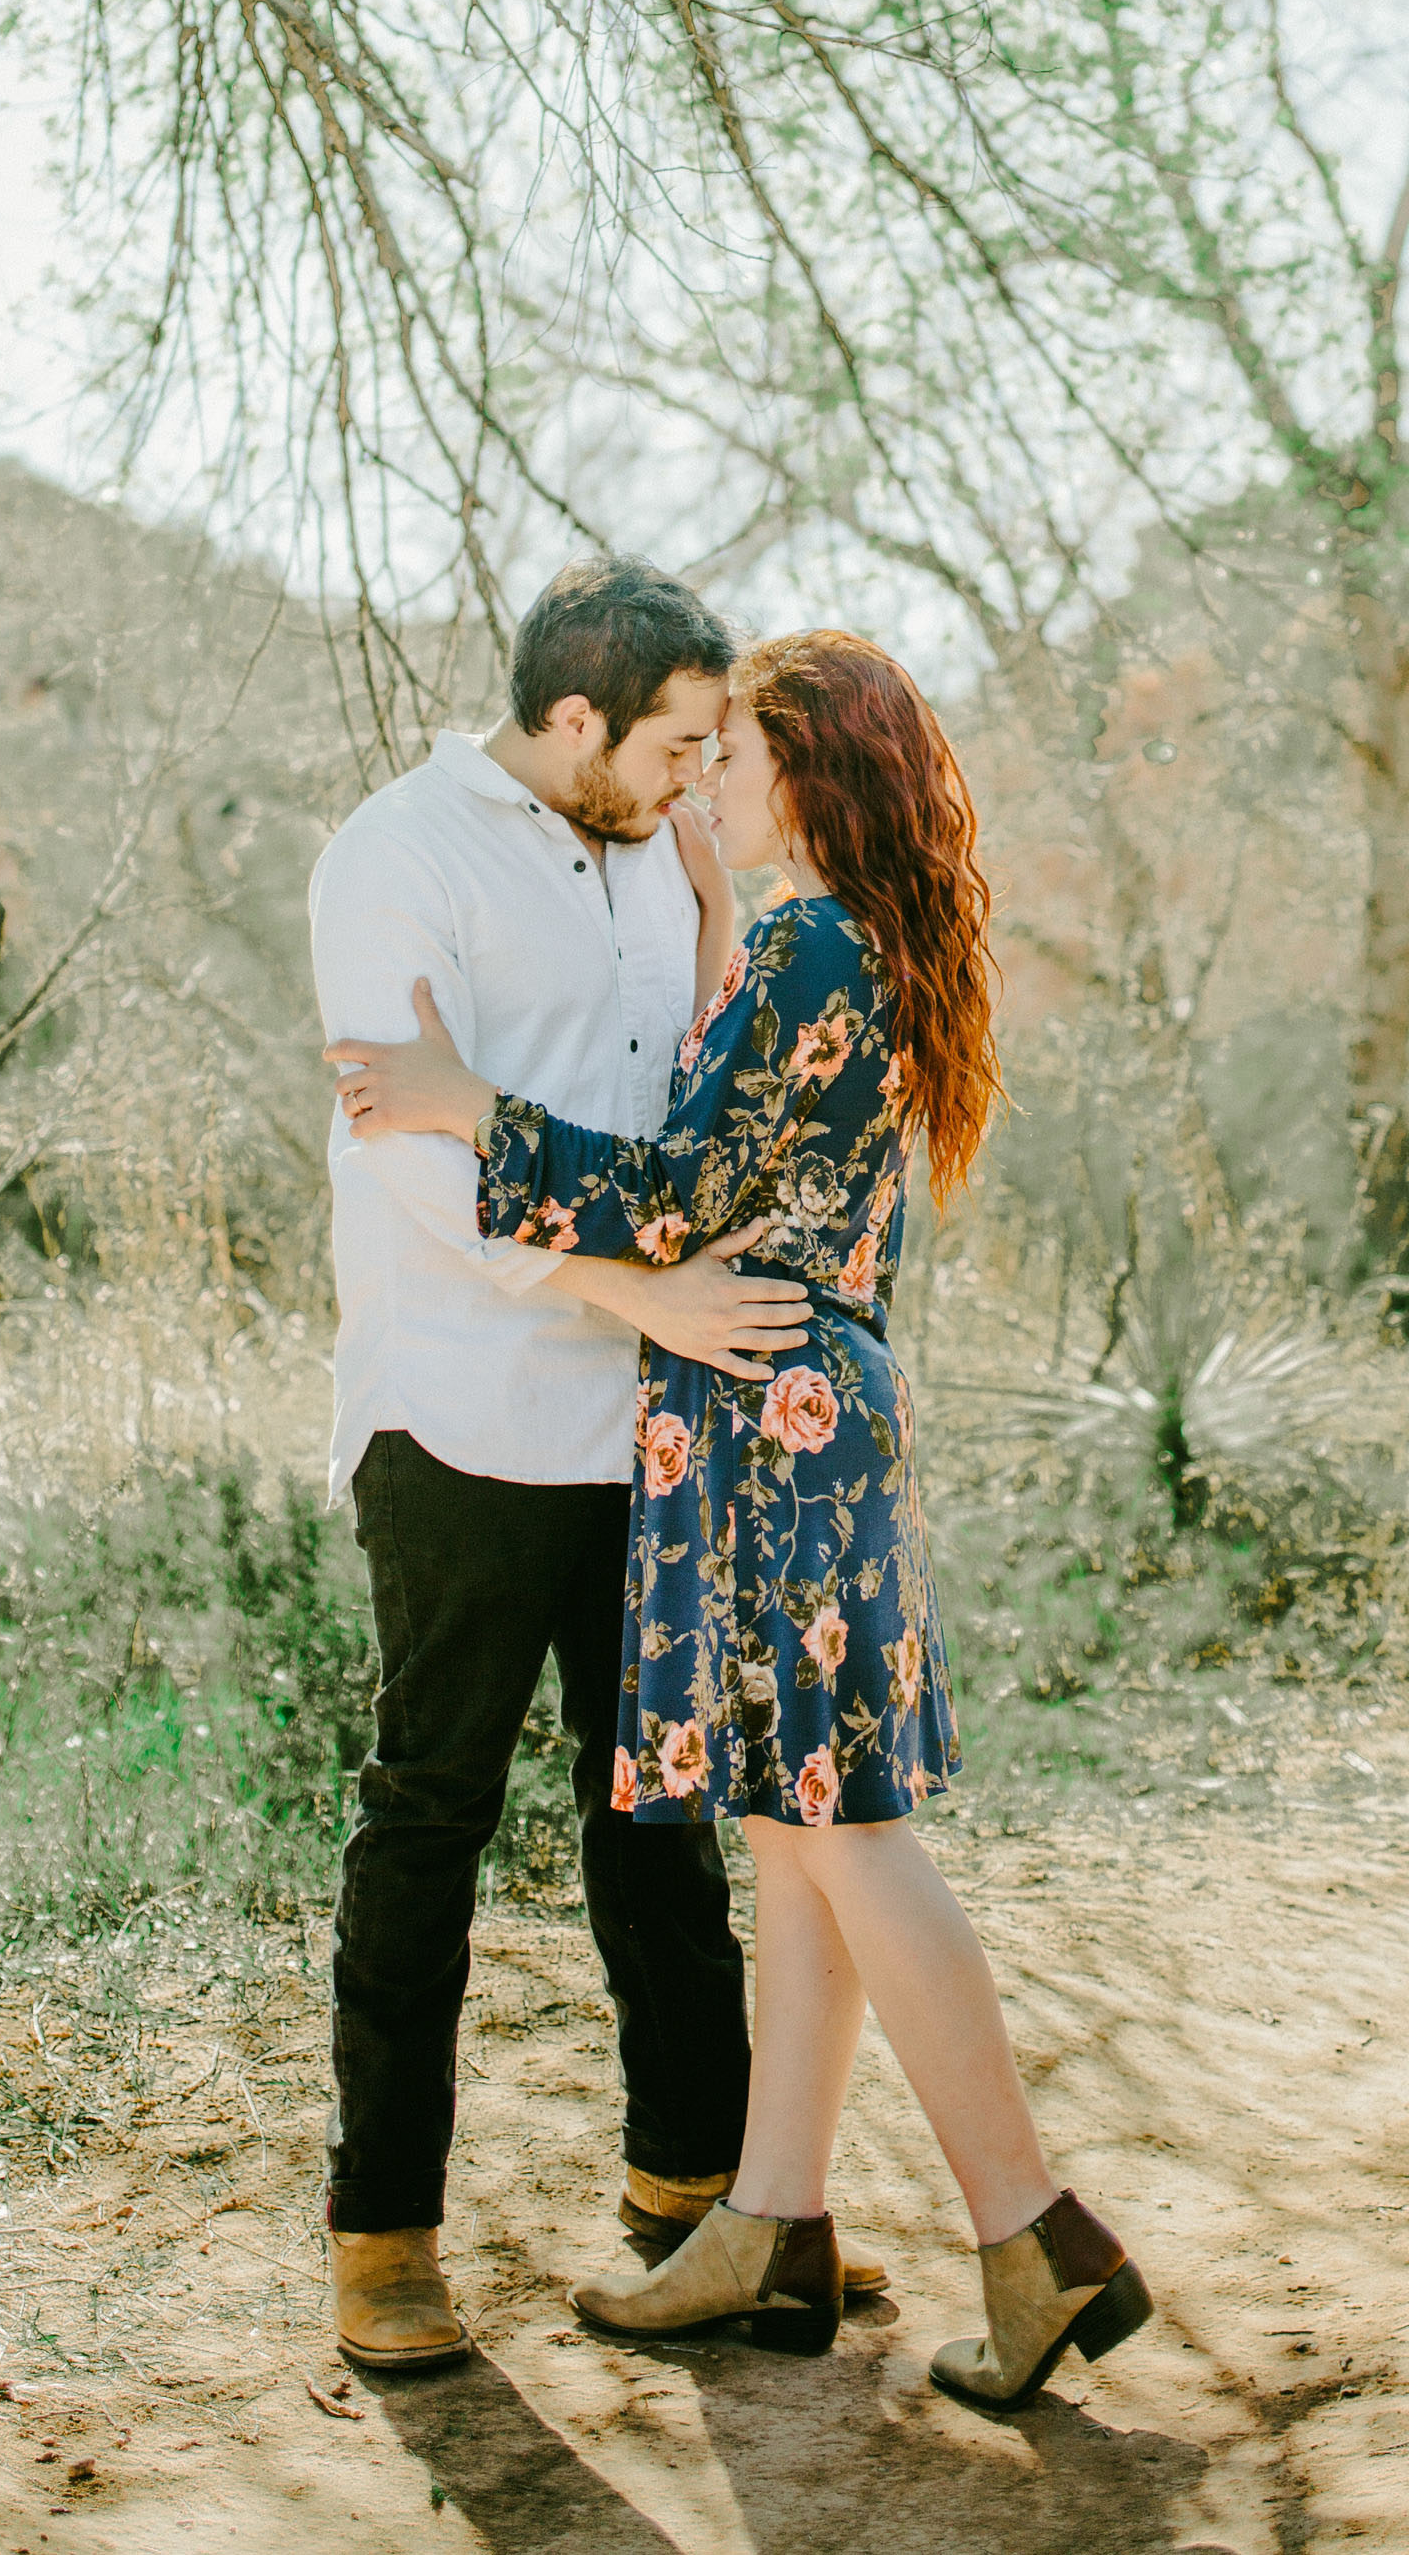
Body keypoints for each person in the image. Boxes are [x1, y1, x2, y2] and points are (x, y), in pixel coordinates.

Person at [330, 627, 1153, 2413]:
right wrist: (712, 909)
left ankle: (1036, 2229)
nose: (709, 781)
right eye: (695, 756)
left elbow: (675, 1188)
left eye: (738, 755)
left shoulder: (805, 935)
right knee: (796, 1834)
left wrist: (467, 1101)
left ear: (811, 770)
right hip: (805, 1404)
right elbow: (747, 1132)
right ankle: (770, 2219)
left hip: (767, 1411)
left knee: (846, 1833)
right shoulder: (859, 936)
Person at [310, 554, 816, 2379]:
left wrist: (709, 907)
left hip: (640, 1418)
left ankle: (701, 2192)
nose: (702, 774)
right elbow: (411, 1157)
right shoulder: (396, 853)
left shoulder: (662, 857)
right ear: (577, 718)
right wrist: (646, 1289)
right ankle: (386, 2238)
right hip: (454, 1404)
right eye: (680, 743)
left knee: (656, 1818)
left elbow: (695, 1094)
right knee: (429, 1814)